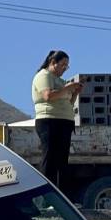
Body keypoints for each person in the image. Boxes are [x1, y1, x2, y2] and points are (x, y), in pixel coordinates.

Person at [32, 50, 82, 188]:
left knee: (62, 161)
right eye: (63, 64)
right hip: (49, 121)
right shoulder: (44, 76)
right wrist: (69, 87)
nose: (65, 68)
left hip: (64, 121)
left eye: (67, 66)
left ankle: (61, 196)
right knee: (50, 159)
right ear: (53, 63)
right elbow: (48, 96)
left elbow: (67, 103)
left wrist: (75, 93)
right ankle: (46, 195)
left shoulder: (60, 81)